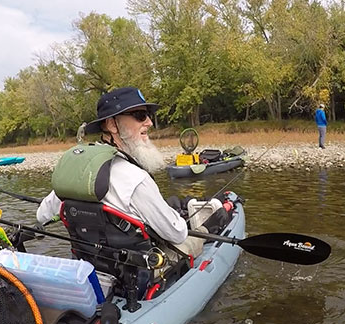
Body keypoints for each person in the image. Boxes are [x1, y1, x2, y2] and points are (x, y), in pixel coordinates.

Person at [37, 86, 229, 260]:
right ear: (112, 125)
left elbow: (42, 215)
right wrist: (187, 220)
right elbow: (177, 233)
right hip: (137, 274)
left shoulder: (77, 172)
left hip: (90, 265)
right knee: (187, 237)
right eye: (139, 115)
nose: (149, 122)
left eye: (148, 115)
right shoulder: (136, 180)